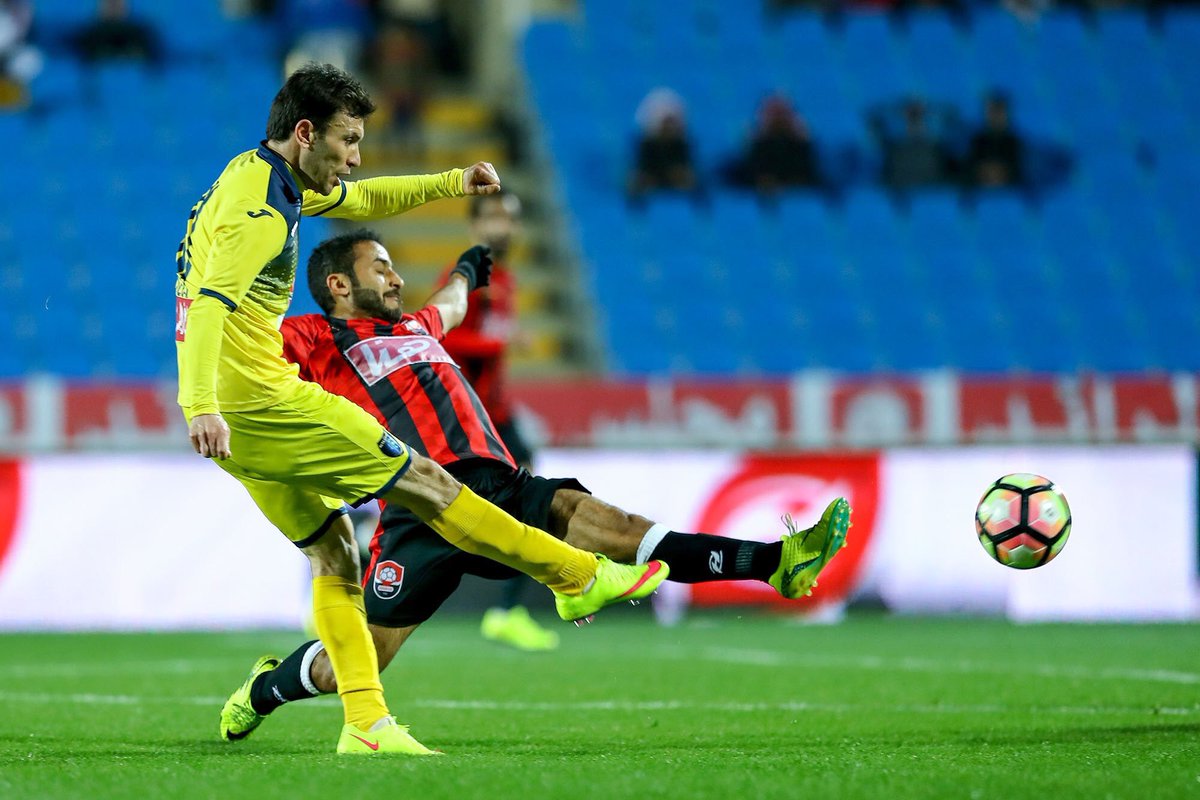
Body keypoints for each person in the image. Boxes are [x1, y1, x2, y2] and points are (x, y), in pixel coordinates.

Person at [178, 63, 668, 757]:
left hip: (242, 425)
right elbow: (209, 308)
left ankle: (366, 726)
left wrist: (449, 181)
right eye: (347, 140)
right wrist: (201, 404)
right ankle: (577, 575)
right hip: (261, 403)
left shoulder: (256, 177)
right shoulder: (263, 214)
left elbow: (364, 194)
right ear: (306, 132)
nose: (354, 159)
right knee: (431, 482)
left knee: (333, 549)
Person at [216, 229, 853, 749]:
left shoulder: (416, 328)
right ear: (338, 285)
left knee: (615, 525)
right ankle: (266, 688)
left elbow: (454, 305)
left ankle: (776, 563)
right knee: (360, 659)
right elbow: (246, 352)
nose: (394, 277)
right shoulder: (315, 337)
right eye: (380, 268)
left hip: (499, 483)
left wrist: (466, 269)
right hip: (419, 507)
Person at [437, 192, 557, 652]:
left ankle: (508, 611)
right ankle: (340, 582)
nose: (502, 227)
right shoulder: (461, 277)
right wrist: (504, 339)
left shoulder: (504, 279)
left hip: (495, 413)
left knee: (530, 498)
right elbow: (445, 337)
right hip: (462, 414)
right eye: (492, 217)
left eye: (509, 218)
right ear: (474, 227)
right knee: (425, 509)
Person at [627, 88, 698, 199]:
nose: (669, 128)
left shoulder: (682, 145)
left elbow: (687, 178)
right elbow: (639, 178)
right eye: (665, 123)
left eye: (672, 123)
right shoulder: (645, 146)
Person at [743, 94, 821, 194]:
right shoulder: (757, 147)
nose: (778, 118)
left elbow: (807, 176)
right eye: (773, 113)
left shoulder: (802, 147)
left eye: (782, 113)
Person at [967, 92, 1024, 189]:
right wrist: (985, 173)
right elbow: (969, 168)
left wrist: (1002, 173)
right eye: (993, 112)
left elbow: (1020, 171)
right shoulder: (977, 141)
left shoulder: (1015, 143)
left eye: (1000, 112)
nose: (996, 117)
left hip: (1010, 196)